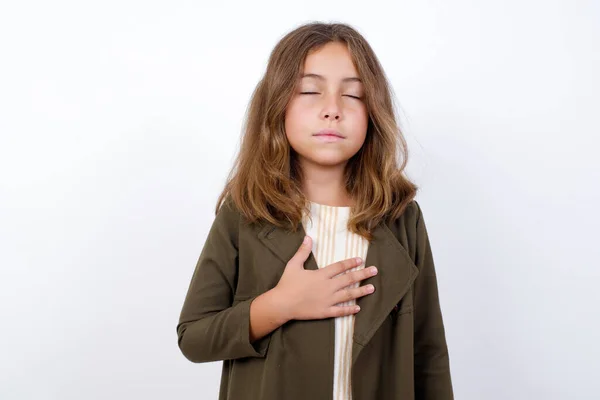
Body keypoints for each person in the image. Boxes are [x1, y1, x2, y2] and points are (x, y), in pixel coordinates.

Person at [176, 21, 453, 400]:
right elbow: (194, 336)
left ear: (374, 112)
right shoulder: (244, 213)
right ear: (277, 105)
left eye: (353, 95)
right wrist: (280, 305)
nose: (332, 110)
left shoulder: (402, 218)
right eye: (309, 90)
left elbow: (429, 355)